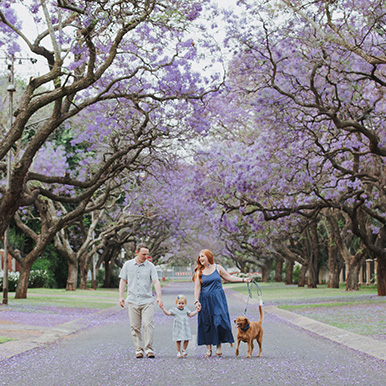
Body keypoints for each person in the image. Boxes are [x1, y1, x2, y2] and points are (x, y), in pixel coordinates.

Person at [193, 249, 252, 357]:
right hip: (205, 300)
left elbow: (229, 277)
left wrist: (243, 280)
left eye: (203, 256)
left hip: (218, 299)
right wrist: (196, 301)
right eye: (200, 257)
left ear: (208, 257)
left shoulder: (218, 268)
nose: (201, 259)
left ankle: (218, 345)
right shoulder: (199, 272)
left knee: (218, 321)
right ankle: (208, 348)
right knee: (207, 322)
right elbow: (197, 288)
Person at [119, 244, 163, 358]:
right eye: (143, 254)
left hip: (147, 300)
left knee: (148, 325)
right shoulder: (127, 265)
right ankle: (138, 349)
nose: (146, 256)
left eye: (147, 254)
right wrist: (121, 297)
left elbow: (156, 281)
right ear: (136, 252)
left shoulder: (151, 266)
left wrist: (159, 297)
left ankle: (149, 349)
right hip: (132, 300)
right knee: (135, 326)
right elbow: (123, 280)